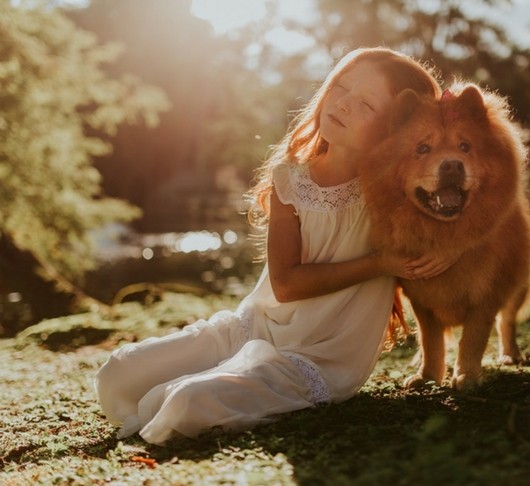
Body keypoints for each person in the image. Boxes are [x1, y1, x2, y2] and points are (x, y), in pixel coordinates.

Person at [95, 47, 451, 445]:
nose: (344, 104)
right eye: (341, 87)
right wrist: (380, 263)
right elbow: (285, 285)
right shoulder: (290, 178)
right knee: (119, 374)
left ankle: (205, 387)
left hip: (319, 357)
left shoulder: (397, 192)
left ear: (396, 128)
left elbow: (460, 225)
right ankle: (208, 374)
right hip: (256, 326)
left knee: (187, 402)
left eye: (366, 104)